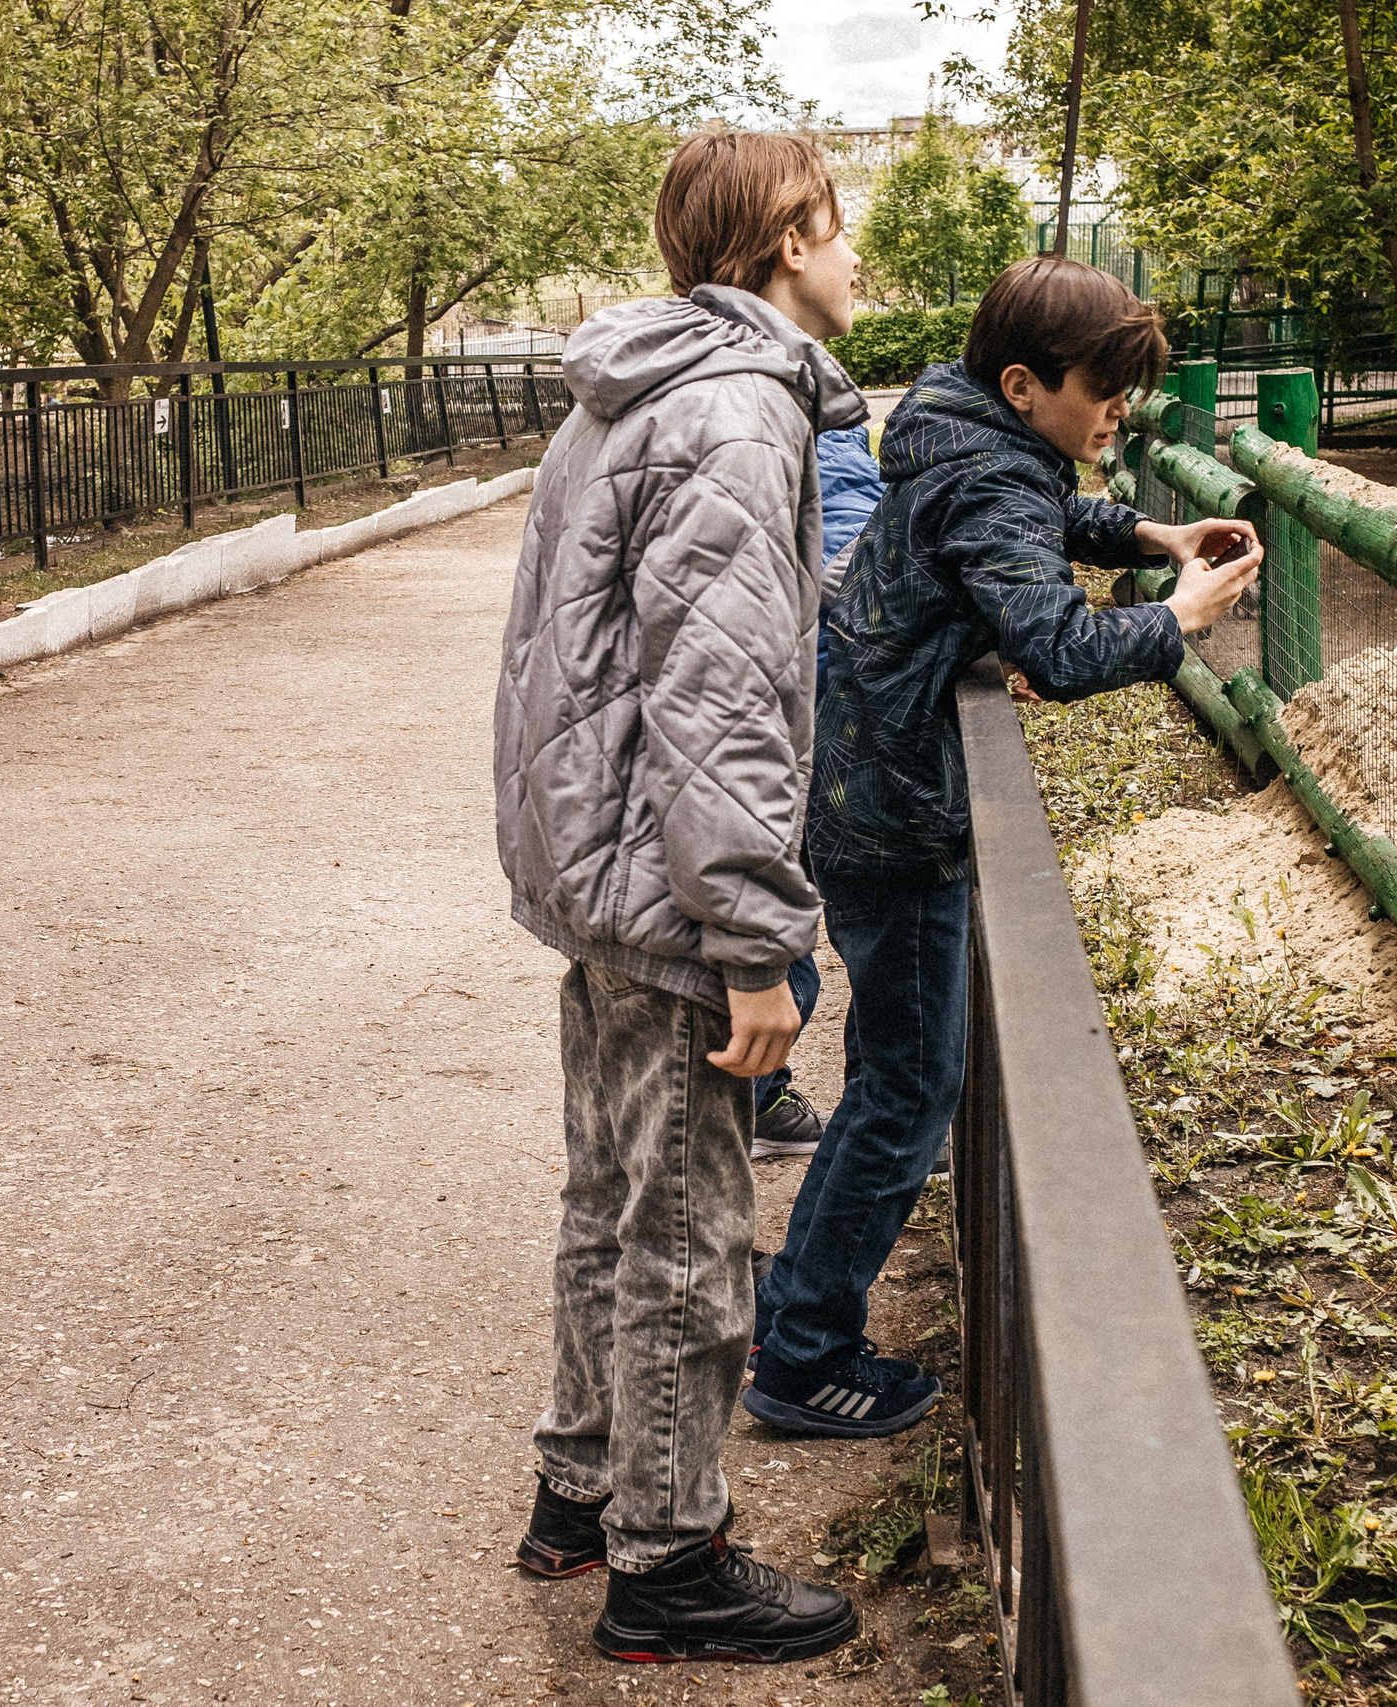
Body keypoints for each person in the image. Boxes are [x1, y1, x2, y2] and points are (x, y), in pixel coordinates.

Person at [745, 255, 1264, 1438]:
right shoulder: (991, 475)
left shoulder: (957, 429)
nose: (1117, 415)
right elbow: (1059, 646)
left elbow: (1037, 517)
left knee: (893, 1075)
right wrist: (1178, 615)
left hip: (865, 785)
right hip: (897, 816)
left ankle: (790, 1308)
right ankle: (803, 1350)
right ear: (1026, 385)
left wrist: (1150, 532)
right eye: (1105, 394)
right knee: (906, 1091)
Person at [494, 129, 868, 1665]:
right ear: (785, 242)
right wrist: (760, 937)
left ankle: (580, 1489)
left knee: (609, 1200)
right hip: (665, 888)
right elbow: (717, 703)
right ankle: (667, 1559)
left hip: (599, 870)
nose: (858, 260)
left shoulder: (642, 390)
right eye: (842, 230)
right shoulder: (731, 412)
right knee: (691, 1233)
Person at [749, 423, 888, 1162]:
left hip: (792, 716)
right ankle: (751, 1096)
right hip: (816, 724)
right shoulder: (813, 438)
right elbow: (856, 577)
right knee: (784, 931)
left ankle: (759, 1096)